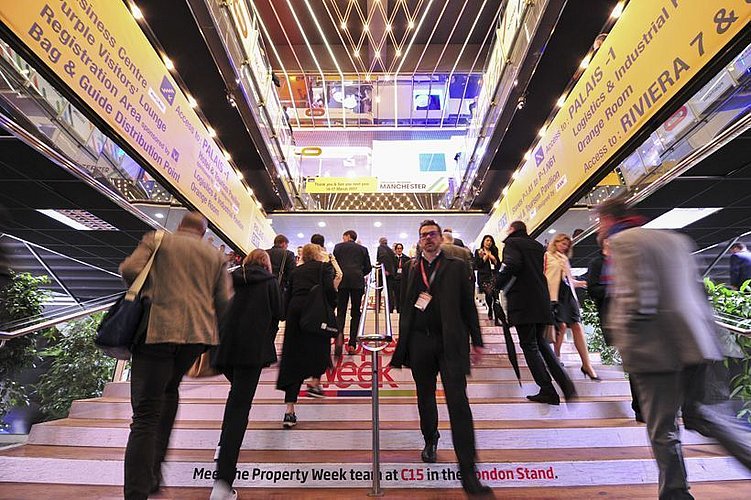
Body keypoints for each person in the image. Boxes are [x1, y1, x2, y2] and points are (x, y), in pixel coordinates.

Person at [598, 198, 751, 500]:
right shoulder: (676, 240)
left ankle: (675, 493)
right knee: (703, 416)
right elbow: (699, 291)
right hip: (696, 343)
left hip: (656, 348)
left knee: (663, 427)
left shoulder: (622, 242)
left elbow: (637, 297)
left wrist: (621, 337)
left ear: (607, 219)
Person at [119, 212, 230, 499]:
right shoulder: (214, 256)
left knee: (145, 414)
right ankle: (154, 471)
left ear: (180, 225)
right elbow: (224, 300)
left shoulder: (158, 241)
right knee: (169, 390)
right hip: (195, 337)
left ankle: (137, 491)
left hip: (157, 330)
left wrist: (153, 289)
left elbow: (130, 270)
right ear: (203, 232)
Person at [390, 220, 492, 497]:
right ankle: (430, 439)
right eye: (423, 235)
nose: (428, 239)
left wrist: (477, 340)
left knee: (458, 403)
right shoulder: (411, 268)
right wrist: (403, 343)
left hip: (451, 343)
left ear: (440, 238)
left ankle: (468, 471)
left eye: (432, 234)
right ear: (419, 240)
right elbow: (406, 307)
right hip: (420, 343)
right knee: (425, 397)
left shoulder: (457, 266)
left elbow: (468, 305)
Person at [210, 249, 282, 500]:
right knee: (240, 407)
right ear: (266, 263)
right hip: (251, 352)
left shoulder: (232, 277)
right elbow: (280, 312)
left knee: (235, 400)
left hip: (224, 348)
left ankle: (222, 447)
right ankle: (222, 482)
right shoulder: (270, 282)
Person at [495, 221, 576, 405]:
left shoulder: (512, 243)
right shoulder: (538, 246)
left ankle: (547, 389)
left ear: (512, 230)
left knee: (529, 345)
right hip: (541, 299)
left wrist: (497, 284)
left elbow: (512, 265)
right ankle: (565, 384)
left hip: (523, 301)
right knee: (540, 343)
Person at [276, 244, 337, 426]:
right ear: (318, 254)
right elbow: (329, 291)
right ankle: (315, 382)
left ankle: (289, 411)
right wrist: (331, 308)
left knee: (293, 358)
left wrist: (285, 314)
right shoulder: (324, 268)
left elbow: (288, 294)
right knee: (320, 347)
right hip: (315, 313)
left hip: (295, 313)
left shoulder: (296, 271)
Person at [587, 236, 642, 422]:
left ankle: (647, 407)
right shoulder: (597, 263)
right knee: (634, 363)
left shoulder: (626, 261)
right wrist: (614, 289)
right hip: (616, 319)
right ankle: (640, 408)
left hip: (637, 316)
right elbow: (592, 290)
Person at [545, 233, 599, 380]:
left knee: (577, 326)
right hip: (554, 296)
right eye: (562, 243)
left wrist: (583, 283)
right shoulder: (547, 256)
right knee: (561, 326)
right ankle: (556, 357)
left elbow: (568, 280)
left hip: (568, 295)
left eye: (567, 245)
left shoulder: (564, 259)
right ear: (555, 242)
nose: (564, 247)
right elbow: (544, 277)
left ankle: (586, 364)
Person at [333, 230, 372, 354]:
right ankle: (352, 344)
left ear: (348, 236)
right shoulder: (363, 249)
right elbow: (368, 267)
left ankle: (339, 335)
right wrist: (359, 273)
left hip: (342, 281)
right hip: (357, 282)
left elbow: (334, 265)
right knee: (355, 313)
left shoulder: (338, 247)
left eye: (343, 236)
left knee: (341, 311)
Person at [474, 235, 500, 321]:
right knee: (489, 294)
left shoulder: (494, 251)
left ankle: (497, 318)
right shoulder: (479, 251)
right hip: (484, 278)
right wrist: (485, 257)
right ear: (483, 241)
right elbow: (478, 265)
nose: (489, 243)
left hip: (494, 276)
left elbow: (498, 264)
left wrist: (493, 258)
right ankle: (490, 309)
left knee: (496, 297)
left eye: (490, 241)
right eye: (487, 240)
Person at [376, 236, 397, 313]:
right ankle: (390, 309)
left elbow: (383, 257)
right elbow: (395, 262)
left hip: (383, 272)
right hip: (391, 273)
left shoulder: (380, 248)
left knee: (378, 290)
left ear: (380, 242)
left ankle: (378, 308)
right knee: (389, 291)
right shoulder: (390, 250)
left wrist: (385, 269)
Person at [392, 243, 410, 313]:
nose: (399, 250)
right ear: (395, 250)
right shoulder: (392, 258)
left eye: (400, 248)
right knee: (396, 295)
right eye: (398, 249)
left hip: (403, 280)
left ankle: (402, 310)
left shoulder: (406, 258)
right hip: (395, 279)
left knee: (403, 295)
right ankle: (396, 309)